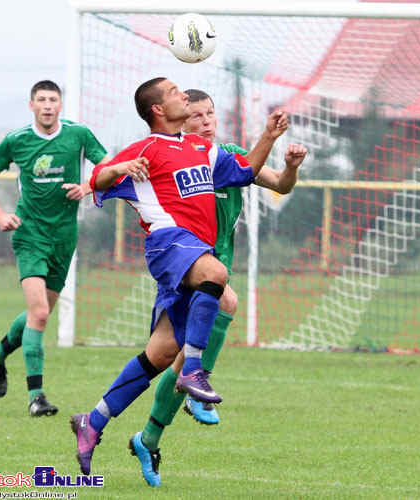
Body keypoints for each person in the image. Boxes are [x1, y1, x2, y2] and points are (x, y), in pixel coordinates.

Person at [70, 77, 287, 476]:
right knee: (217, 275)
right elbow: (98, 177)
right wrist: (120, 166)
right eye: (174, 93)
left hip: (190, 255)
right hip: (169, 244)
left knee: (162, 352)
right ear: (157, 109)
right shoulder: (147, 148)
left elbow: (245, 171)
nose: (184, 96)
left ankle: (93, 420)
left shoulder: (202, 149)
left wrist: (269, 137)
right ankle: (194, 372)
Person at [128, 88, 307, 487]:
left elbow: (279, 181)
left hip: (213, 273)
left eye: (211, 113)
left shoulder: (225, 156)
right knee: (227, 302)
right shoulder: (176, 160)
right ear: (180, 122)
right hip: (185, 271)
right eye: (197, 116)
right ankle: (197, 380)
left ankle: (147, 438)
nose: (207, 121)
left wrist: (290, 165)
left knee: (166, 359)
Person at [0, 80, 108, 417]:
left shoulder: (79, 135)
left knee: (41, 314)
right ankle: (37, 396)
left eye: (53, 99)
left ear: (60, 105)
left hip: (64, 237)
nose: (48, 105)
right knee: (38, 314)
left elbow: (107, 169)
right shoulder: (16, 140)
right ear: (31, 105)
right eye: (41, 100)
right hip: (29, 233)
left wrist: (87, 187)